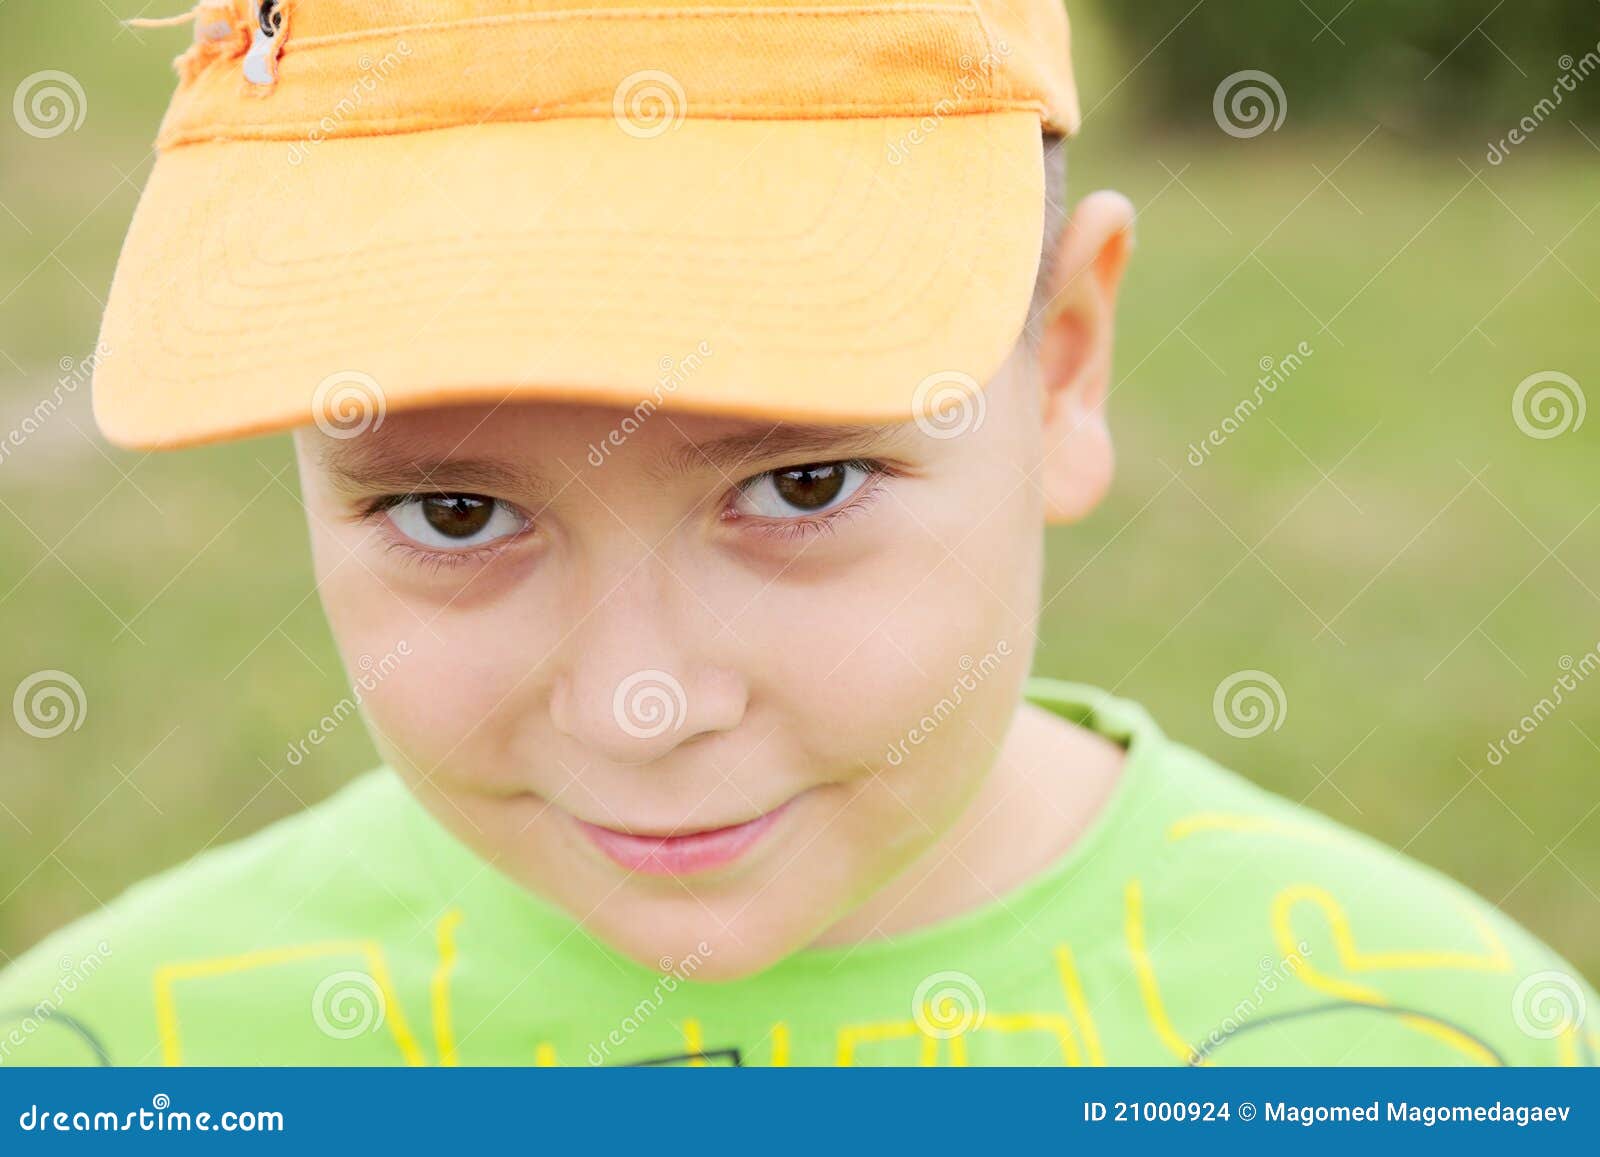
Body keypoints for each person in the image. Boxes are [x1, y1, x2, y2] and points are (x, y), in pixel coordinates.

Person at [1, 0, 1593, 1066]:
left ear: (1064, 363)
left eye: (805, 485)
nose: (642, 703)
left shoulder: (1436, 1056)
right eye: (455, 509)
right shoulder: (108, 1060)